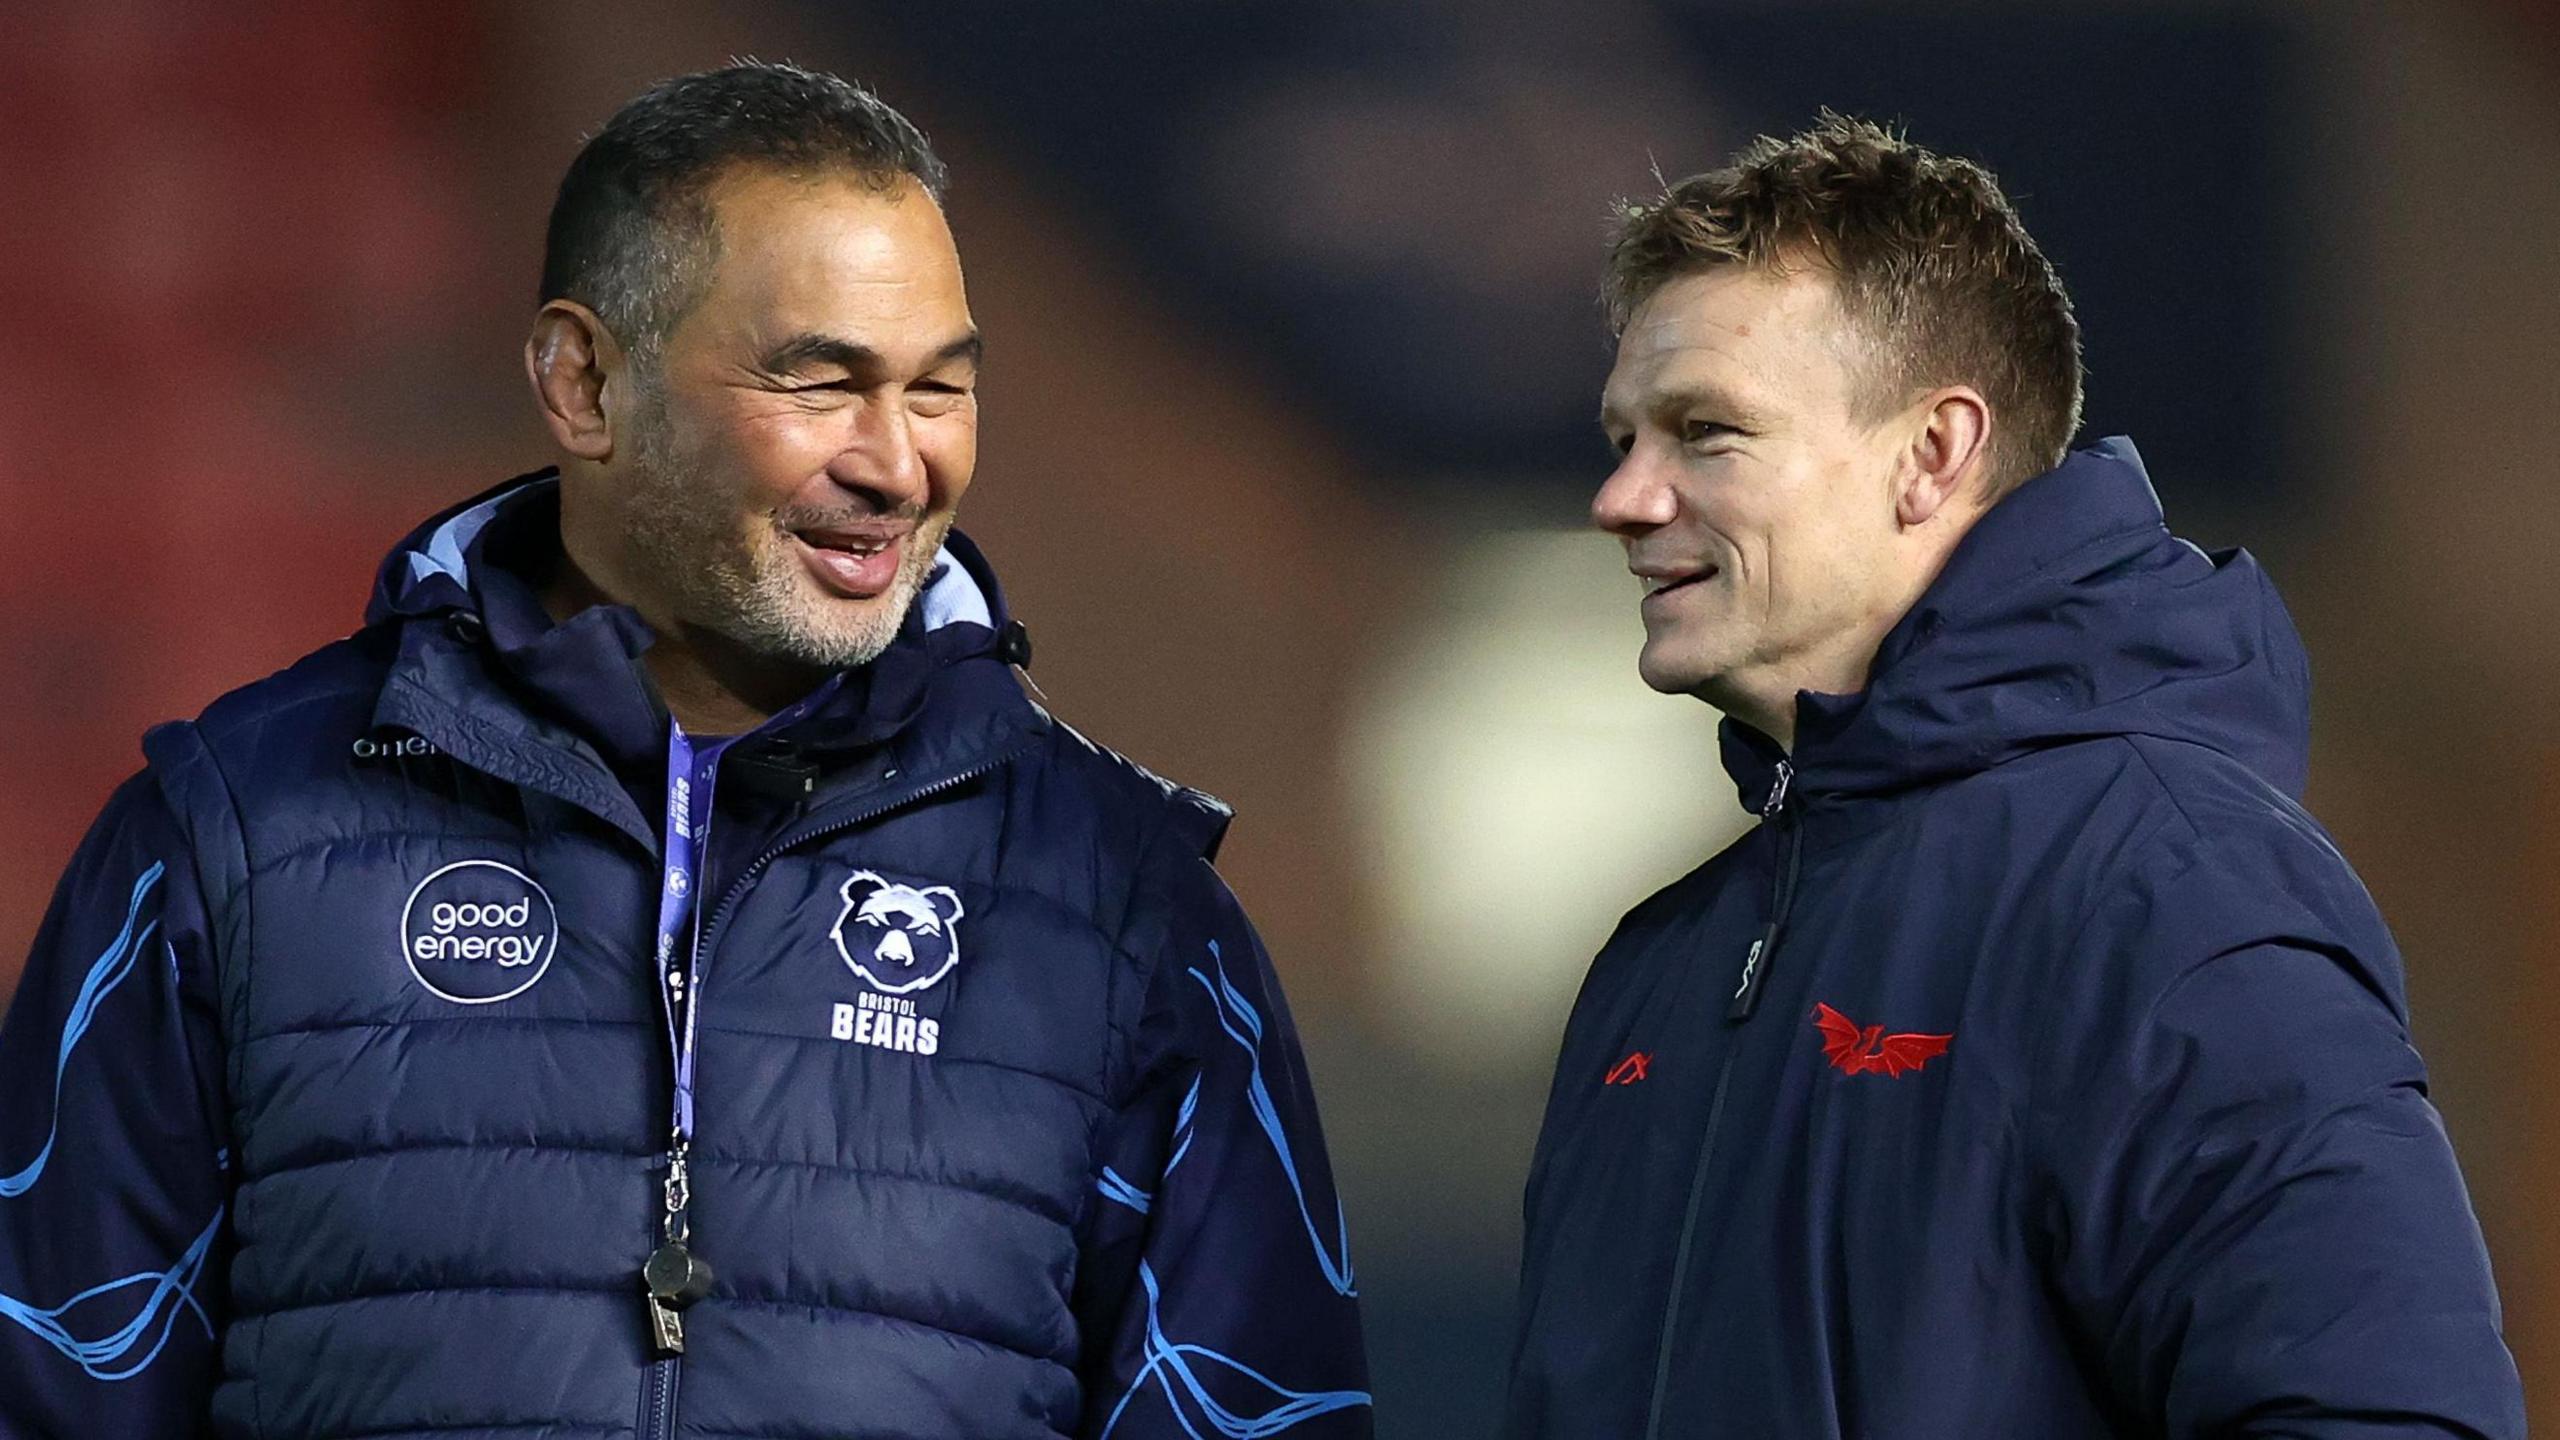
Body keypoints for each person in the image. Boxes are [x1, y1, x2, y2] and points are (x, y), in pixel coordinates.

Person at [0, 62, 1369, 1440]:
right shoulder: (226, 841)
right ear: (583, 382)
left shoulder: (1130, 907)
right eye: (820, 382)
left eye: (940, 391)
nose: (898, 464)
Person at [1504, 115, 2524, 1438]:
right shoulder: (1659, 967)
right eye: (1624, 437)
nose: (1624, 498)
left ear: (1934, 454)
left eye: (1705, 433)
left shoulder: (2163, 885)